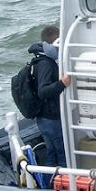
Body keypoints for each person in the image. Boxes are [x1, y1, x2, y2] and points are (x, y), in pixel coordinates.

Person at [29, 25, 71, 181]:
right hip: (51, 118)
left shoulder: (40, 61)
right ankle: (63, 184)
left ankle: (49, 183)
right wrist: (62, 83)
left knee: (51, 153)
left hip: (44, 117)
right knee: (61, 154)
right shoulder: (46, 64)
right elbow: (43, 91)